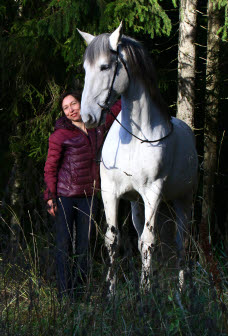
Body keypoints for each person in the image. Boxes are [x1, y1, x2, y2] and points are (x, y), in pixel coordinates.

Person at [43, 89, 121, 299]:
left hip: (89, 196)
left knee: (85, 246)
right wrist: (50, 196)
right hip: (65, 196)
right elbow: (50, 167)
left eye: (73, 104)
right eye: (66, 108)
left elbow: (114, 111)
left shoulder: (96, 127)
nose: (70, 110)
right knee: (64, 244)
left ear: (82, 103)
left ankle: (79, 292)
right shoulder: (60, 135)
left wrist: (129, 90)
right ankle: (63, 294)